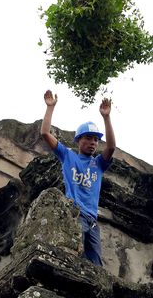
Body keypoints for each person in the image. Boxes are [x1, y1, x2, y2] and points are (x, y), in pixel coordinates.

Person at [40, 90, 115, 266]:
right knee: (72, 254)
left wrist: (106, 118)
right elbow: (45, 133)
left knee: (96, 265)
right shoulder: (68, 156)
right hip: (75, 214)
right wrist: (50, 107)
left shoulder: (98, 164)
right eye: (89, 138)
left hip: (93, 219)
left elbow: (111, 147)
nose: (93, 143)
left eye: (96, 140)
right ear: (78, 140)